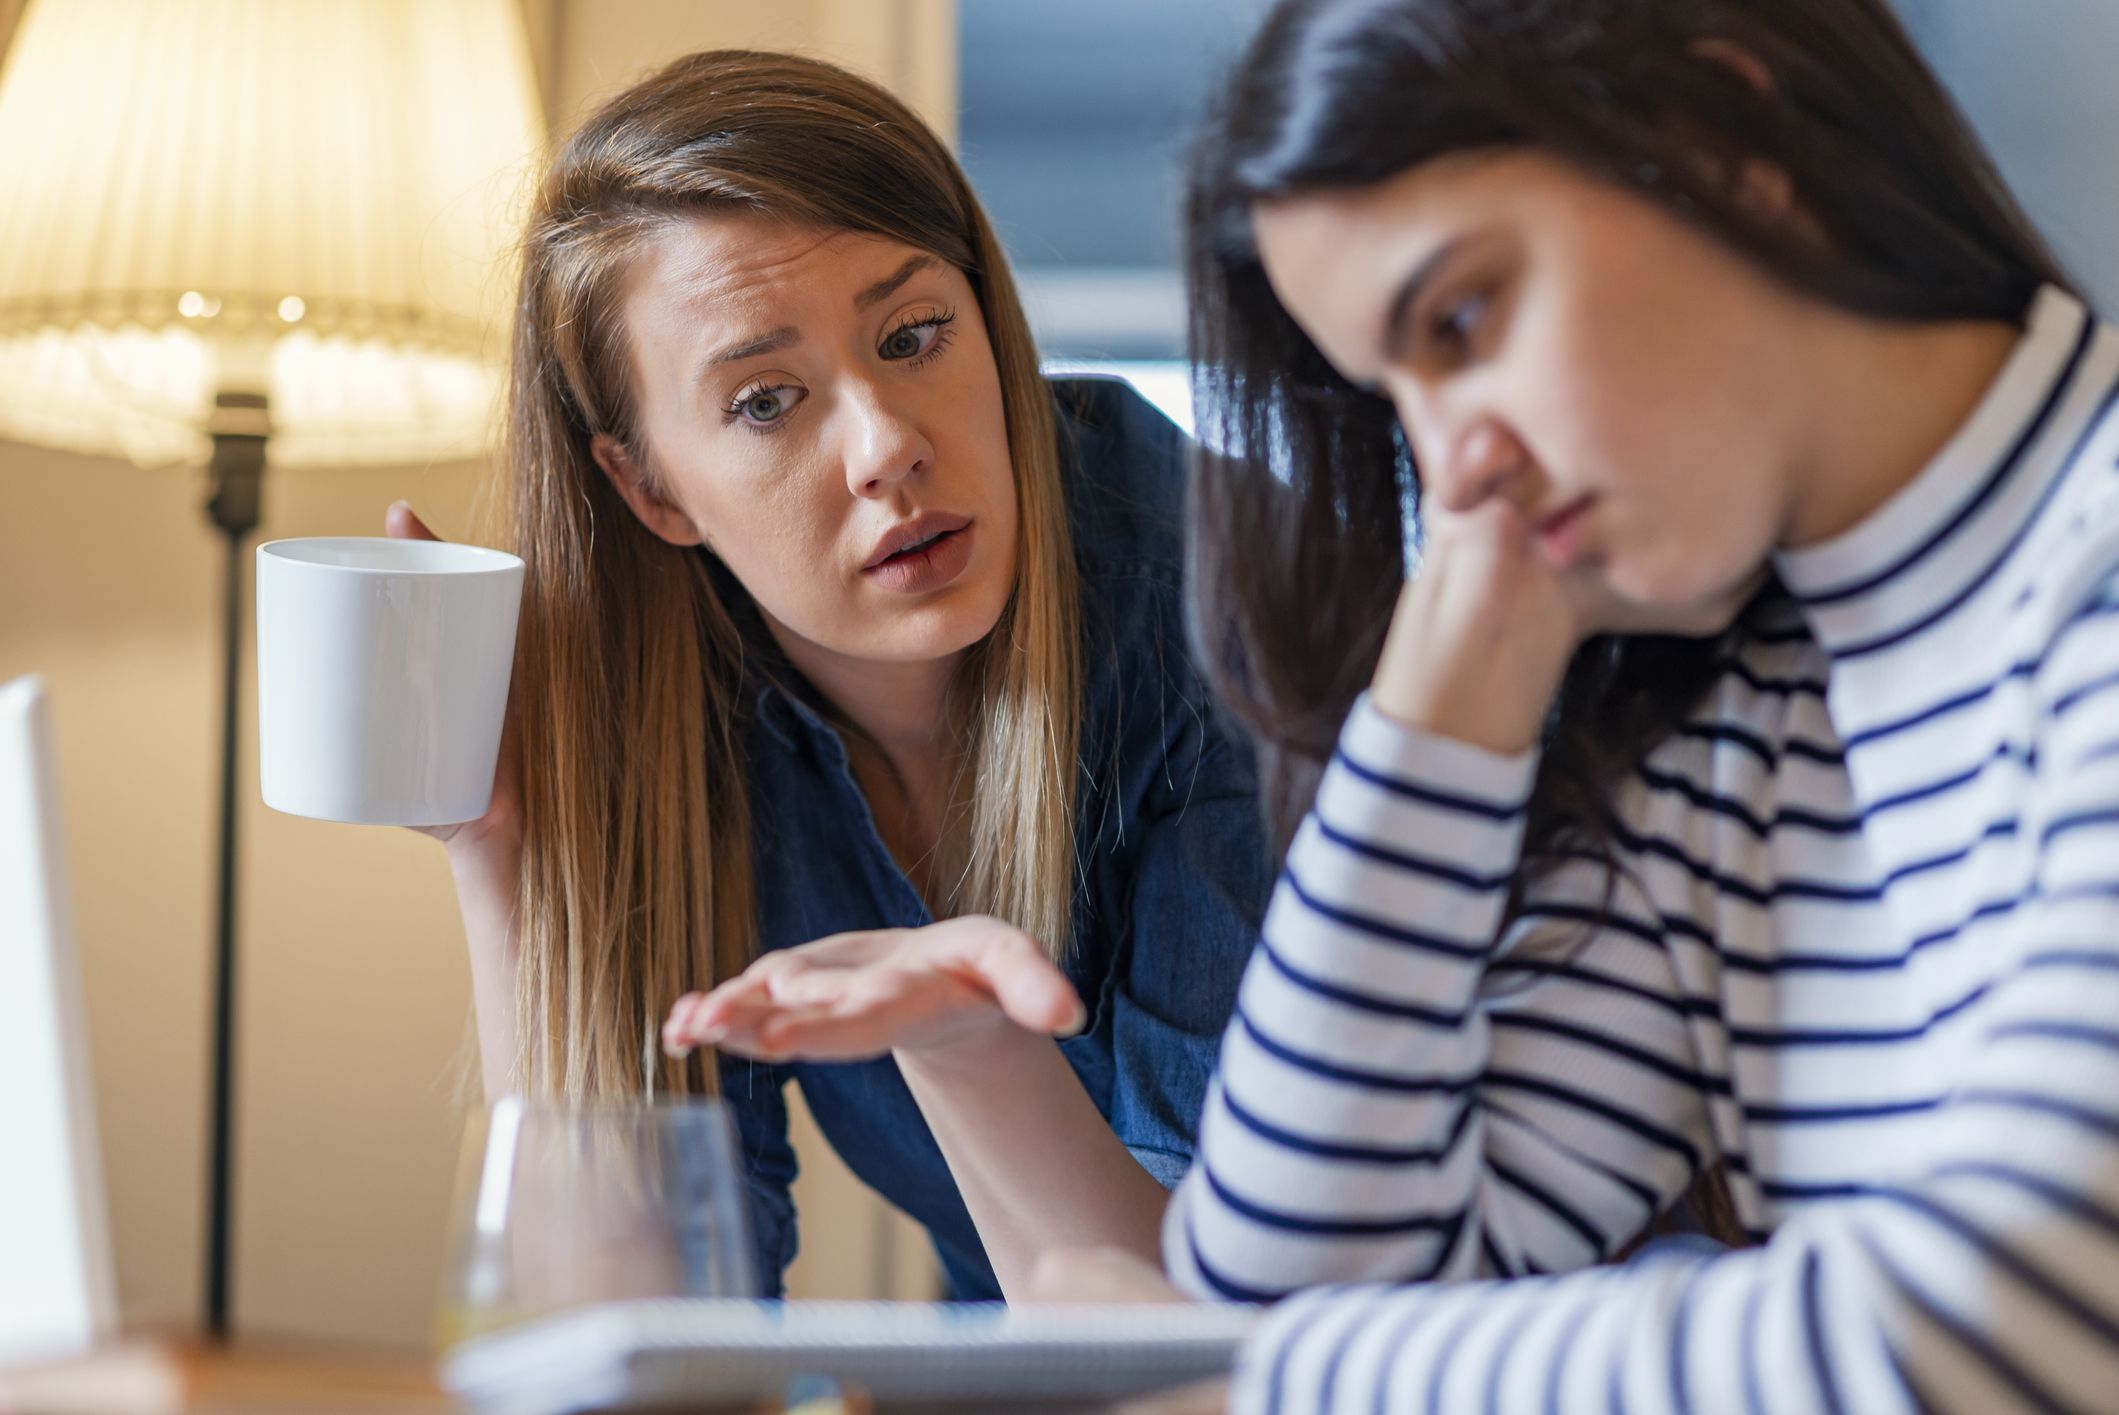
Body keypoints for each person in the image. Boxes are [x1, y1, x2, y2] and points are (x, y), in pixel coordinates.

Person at [1146, 0, 2119, 1407]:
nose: (1453, 469)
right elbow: (1276, 1288)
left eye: (1461, 319)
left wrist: (1283, 1380)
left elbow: (2025, 1312)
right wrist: (1446, 692)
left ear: (1723, 142)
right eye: (1394, 400)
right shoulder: (1732, 743)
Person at [395, 48, 1270, 1303]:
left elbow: (1206, 1318)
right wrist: (497, 852)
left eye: (915, 335)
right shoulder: (677, 718)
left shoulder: (1216, 613)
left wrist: (961, 1035)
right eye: (765, 402)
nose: (887, 444)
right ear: (647, 487)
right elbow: (640, 1322)